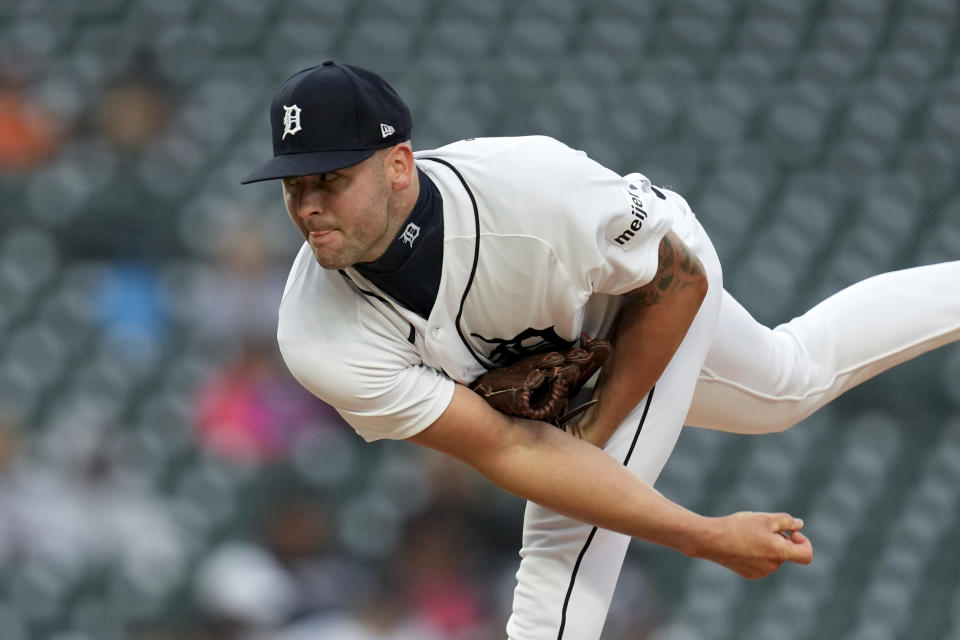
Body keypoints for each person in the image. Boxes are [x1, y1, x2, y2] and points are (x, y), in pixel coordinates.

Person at [241, 61, 960, 640]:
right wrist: (611, 468)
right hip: (575, 350)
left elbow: (680, 280)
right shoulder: (316, 335)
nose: (309, 206)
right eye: (294, 185)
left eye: (332, 179)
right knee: (788, 387)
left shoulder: (529, 191)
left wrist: (628, 462)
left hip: (649, 289)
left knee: (560, 553)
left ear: (399, 165)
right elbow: (511, 452)